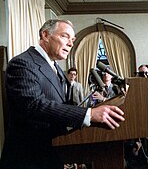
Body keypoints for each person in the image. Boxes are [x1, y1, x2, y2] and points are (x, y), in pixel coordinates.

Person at [0, 19, 125, 169]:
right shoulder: (23, 63)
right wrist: (89, 114)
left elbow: (61, 106)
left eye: (72, 40)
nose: (71, 44)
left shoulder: (56, 68)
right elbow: (33, 105)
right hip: (28, 158)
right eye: (65, 36)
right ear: (45, 35)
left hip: (51, 154)